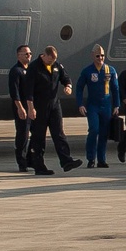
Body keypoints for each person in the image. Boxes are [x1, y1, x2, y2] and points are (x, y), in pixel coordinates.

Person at [23, 46, 83, 175]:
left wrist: (68, 86)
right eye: (49, 60)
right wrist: (30, 108)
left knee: (59, 133)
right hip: (39, 106)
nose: (51, 63)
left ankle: (66, 161)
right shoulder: (34, 68)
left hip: (54, 105)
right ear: (44, 56)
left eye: (53, 61)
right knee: (39, 137)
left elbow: (65, 78)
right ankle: (38, 165)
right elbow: (28, 91)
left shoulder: (56, 66)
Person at [76, 44, 120, 168]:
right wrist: (80, 104)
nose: (100, 58)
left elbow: (115, 89)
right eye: (97, 56)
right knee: (94, 130)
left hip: (106, 105)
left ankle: (102, 159)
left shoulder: (110, 70)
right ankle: (91, 158)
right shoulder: (87, 71)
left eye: (102, 56)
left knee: (104, 133)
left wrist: (117, 105)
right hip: (93, 105)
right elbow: (79, 88)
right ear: (92, 56)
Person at [8, 44, 33, 172]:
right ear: (19, 56)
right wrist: (20, 108)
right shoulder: (16, 71)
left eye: (30, 54)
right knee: (23, 135)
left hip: (32, 108)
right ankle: (21, 162)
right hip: (22, 108)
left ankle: (31, 159)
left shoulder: (31, 70)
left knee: (36, 134)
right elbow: (14, 92)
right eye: (26, 54)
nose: (29, 56)